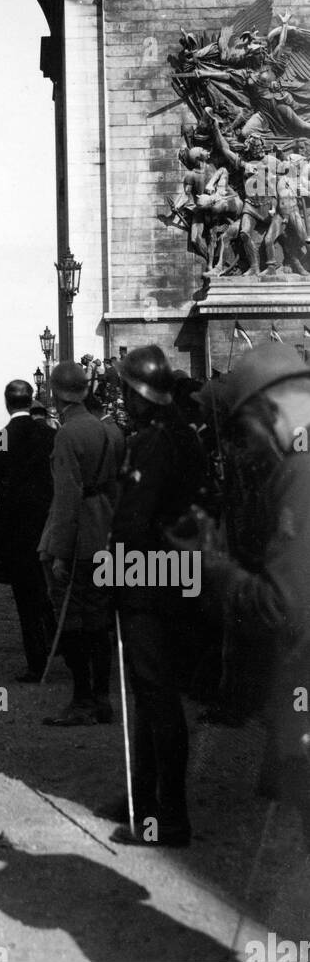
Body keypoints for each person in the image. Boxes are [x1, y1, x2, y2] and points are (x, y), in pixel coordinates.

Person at [168, 343, 310, 852]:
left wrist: (207, 566)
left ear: (268, 409)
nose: (242, 448)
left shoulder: (302, 473)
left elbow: (280, 604)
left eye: (242, 430)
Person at [109, 345, 207, 848]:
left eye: (126, 388)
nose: (123, 396)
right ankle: (142, 799)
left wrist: (112, 577)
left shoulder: (152, 443)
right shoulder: (180, 435)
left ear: (139, 393)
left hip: (150, 583)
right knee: (151, 697)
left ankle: (169, 816)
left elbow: (131, 522)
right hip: (173, 576)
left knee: (157, 699)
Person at [38, 360, 125, 726]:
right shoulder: (113, 431)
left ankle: (82, 700)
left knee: (72, 618)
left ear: (55, 395)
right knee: (100, 618)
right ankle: (102, 699)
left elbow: (67, 498)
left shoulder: (68, 434)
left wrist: (59, 552)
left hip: (80, 539)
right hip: (108, 531)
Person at [0, 379, 57, 682]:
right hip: (48, 522)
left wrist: (3, 485)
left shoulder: (0, 438)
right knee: (49, 587)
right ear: (31, 400)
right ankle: (59, 639)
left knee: (25, 597)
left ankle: (36, 664)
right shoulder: (49, 435)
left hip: (14, 528)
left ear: (7, 403)